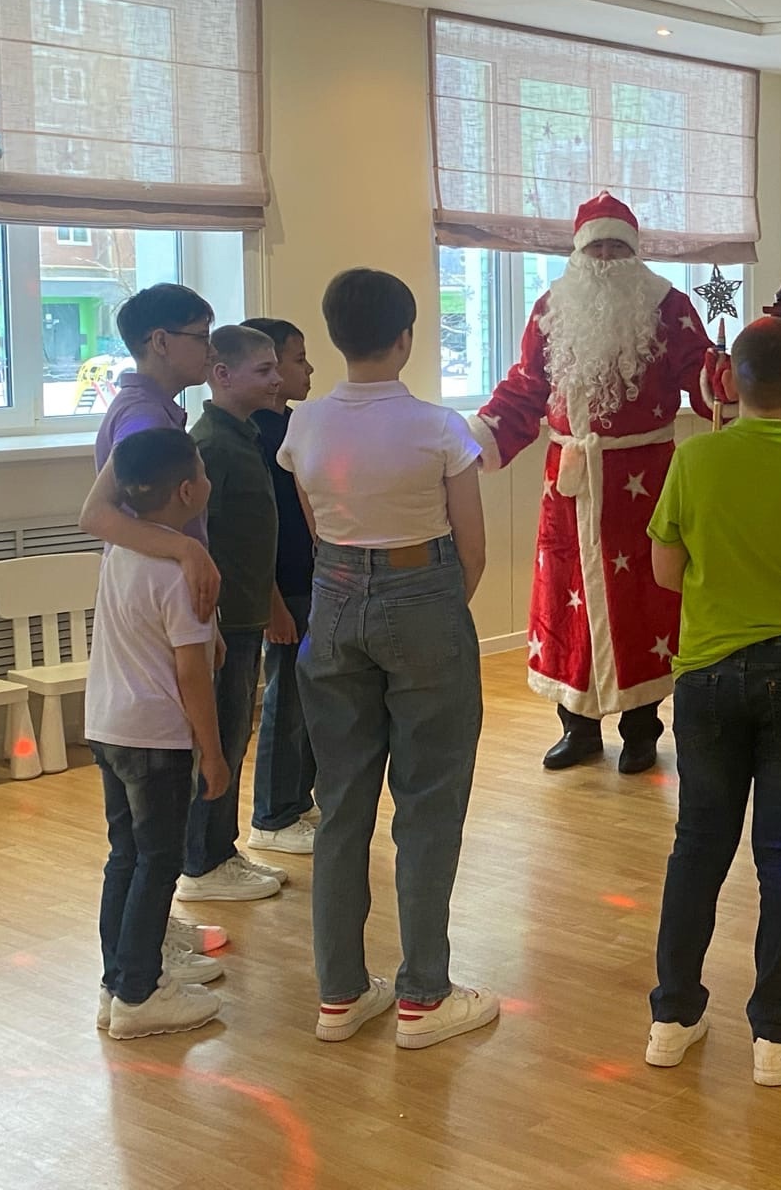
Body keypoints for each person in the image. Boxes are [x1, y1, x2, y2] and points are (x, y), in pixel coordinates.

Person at [642, 316, 781, 1089]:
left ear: (729, 383)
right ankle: (776, 1034)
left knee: (698, 846)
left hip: (708, 673)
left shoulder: (694, 458)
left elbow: (666, 572)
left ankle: (672, 1018)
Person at [280, 269, 495, 1050]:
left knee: (341, 804)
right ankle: (423, 996)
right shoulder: (438, 427)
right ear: (405, 338)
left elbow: (319, 530)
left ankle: (339, 993)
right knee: (428, 803)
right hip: (424, 594)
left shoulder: (303, 426)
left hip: (333, 599)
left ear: (335, 336)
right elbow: (473, 549)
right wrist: (433, 612)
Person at [471, 193, 714, 775]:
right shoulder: (551, 309)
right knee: (566, 599)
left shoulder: (670, 307)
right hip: (570, 485)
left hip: (642, 481)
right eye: (596, 246)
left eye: (616, 247)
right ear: (578, 253)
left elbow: (704, 379)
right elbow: (526, 387)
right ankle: (576, 727)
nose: (605, 257)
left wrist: (734, 380)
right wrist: (472, 438)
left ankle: (641, 731)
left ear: (635, 254)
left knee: (644, 601)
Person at [77, 283, 241, 949]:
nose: (211, 350)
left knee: (139, 848)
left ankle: (143, 948)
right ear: (160, 342)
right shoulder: (144, 419)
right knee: (150, 846)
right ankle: (145, 961)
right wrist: (187, 552)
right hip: (154, 670)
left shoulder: (156, 410)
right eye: (201, 337)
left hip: (157, 632)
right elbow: (99, 514)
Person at [87, 428, 227, 1039]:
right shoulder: (181, 574)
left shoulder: (120, 553)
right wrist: (213, 754)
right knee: (158, 860)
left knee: (125, 856)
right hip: (156, 738)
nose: (208, 480)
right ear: (188, 491)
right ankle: (140, 993)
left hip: (107, 726)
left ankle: (117, 983)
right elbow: (191, 674)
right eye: (203, 471)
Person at [177, 325, 285, 902]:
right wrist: (211, 621)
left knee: (236, 733)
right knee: (217, 740)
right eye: (263, 370)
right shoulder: (212, 445)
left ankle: (220, 848)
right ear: (222, 375)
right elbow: (200, 539)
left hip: (245, 615)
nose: (276, 380)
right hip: (223, 622)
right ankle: (203, 861)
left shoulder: (244, 435)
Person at [242, 317, 320, 855]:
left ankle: (297, 798)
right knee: (285, 701)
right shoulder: (252, 435)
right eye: (297, 360)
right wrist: (272, 601)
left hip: (312, 579)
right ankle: (271, 814)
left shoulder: (296, 425)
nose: (307, 369)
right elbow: (256, 527)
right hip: (283, 586)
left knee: (309, 698)